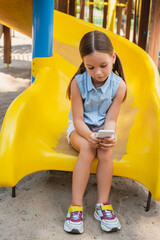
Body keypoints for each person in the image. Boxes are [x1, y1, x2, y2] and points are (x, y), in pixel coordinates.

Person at [64, 30, 127, 234]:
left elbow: (111, 119)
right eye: (90, 67)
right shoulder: (77, 83)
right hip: (80, 130)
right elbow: (78, 120)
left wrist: (110, 134)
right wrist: (89, 136)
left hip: (101, 129)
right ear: (83, 62)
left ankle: (102, 205)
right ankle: (75, 207)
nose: (98, 72)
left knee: (106, 151)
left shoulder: (119, 86)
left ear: (113, 58)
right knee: (88, 150)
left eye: (103, 65)